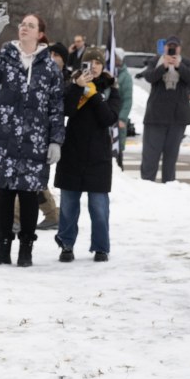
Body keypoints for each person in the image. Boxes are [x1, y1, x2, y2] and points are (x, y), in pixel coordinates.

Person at [0, 9, 65, 266]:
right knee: (4, 194)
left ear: (40, 34)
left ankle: (26, 249)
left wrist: (56, 139)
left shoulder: (49, 67)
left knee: (27, 195)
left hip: (33, 141)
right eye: (22, 24)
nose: (24, 28)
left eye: (30, 25)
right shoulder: (5, 58)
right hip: (3, 137)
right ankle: (3, 248)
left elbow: (56, 107)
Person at [54, 46, 121, 262]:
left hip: (98, 157)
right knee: (68, 206)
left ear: (103, 66)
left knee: (99, 207)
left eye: (97, 63)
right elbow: (66, 110)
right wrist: (77, 88)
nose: (93, 67)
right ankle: (66, 244)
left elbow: (109, 118)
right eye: (89, 63)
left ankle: (101, 247)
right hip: (72, 152)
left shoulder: (111, 89)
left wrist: (94, 95)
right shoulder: (72, 84)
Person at [137, 36, 190, 182]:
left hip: (177, 117)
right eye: (169, 46)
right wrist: (163, 66)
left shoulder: (187, 63)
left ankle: (169, 188)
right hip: (156, 117)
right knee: (150, 157)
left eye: (175, 47)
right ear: (164, 47)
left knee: (171, 158)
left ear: (179, 48)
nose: (172, 49)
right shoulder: (155, 61)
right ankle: (146, 186)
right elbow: (149, 77)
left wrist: (179, 66)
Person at [114, 47, 133, 168]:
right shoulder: (107, 72)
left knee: (117, 152)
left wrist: (122, 118)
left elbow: (128, 100)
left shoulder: (125, 77)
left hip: (117, 119)